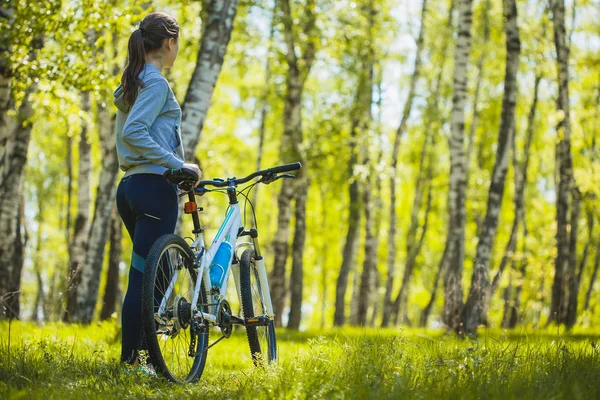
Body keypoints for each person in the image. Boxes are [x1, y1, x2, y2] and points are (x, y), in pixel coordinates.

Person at [113, 12, 201, 367]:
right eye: (177, 43)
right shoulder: (156, 83)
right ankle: (133, 360)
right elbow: (134, 132)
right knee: (146, 278)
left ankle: (143, 356)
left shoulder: (132, 81)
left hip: (131, 187)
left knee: (151, 273)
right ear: (169, 43)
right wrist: (177, 164)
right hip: (152, 187)